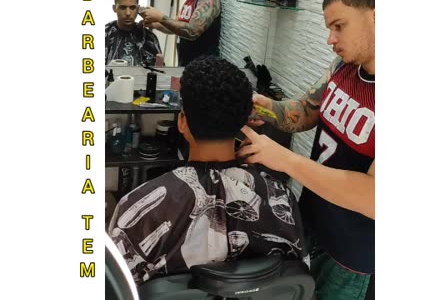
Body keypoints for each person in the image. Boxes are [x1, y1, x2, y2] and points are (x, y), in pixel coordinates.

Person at [109, 56, 308, 285]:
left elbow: (116, 287)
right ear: (244, 123)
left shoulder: (135, 207)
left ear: (182, 122)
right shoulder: (282, 198)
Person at [238, 0, 375, 300]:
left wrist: (285, 159)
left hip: (352, 253)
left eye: (339, 26)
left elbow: (375, 198)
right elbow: (306, 110)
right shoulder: (343, 66)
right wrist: (266, 107)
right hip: (313, 220)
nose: (330, 39)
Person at [140, 0, 221, 66]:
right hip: (187, 62)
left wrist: (160, 17)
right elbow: (176, 27)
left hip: (204, 66)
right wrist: (154, 24)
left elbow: (192, 31)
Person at [105, 0, 162, 66]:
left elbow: (159, 69)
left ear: (138, 9)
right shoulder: (105, 34)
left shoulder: (149, 38)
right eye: (123, 8)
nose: (128, 13)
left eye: (132, 8)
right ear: (114, 8)